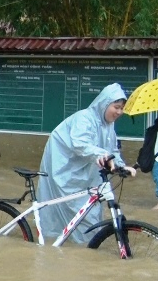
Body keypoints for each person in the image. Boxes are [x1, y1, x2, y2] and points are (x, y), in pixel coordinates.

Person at [37, 83, 137, 243]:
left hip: (87, 166)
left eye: (121, 108)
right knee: (71, 206)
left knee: (93, 205)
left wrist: (120, 165)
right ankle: (72, 247)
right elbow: (80, 143)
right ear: (105, 103)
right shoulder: (84, 118)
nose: (119, 112)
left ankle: (83, 247)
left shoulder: (109, 125)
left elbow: (112, 149)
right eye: (116, 107)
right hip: (64, 165)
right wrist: (102, 154)